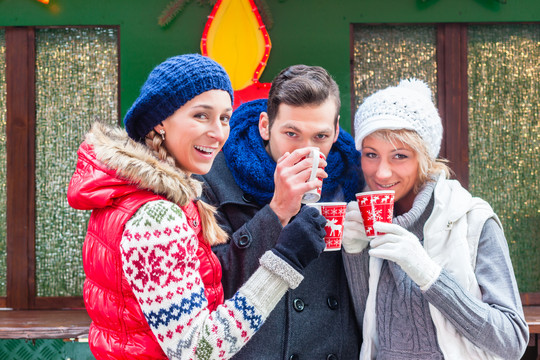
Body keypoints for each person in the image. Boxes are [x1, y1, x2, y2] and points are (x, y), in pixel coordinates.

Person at [67, 54, 328, 359]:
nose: (218, 133)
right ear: (160, 121)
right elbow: (197, 350)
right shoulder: (156, 217)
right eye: (201, 115)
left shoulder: (133, 193)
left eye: (224, 118)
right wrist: (285, 261)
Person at [342, 78, 529, 359]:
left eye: (400, 156)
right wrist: (354, 252)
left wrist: (428, 273)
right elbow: (367, 333)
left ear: (425, 158)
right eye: (371, 154)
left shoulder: (473, 220)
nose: (381, 173)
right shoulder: (364, 219)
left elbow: (512, 341)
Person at [197, 64, 364, 359]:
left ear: (336, 130)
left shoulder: (355, 176)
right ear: (265, 125)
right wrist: (276, 211)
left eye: (321, 137)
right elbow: (213, 284)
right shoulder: (214, 177)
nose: (307, 149)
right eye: (291, 133)